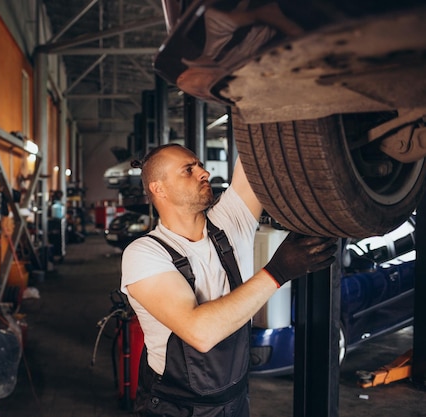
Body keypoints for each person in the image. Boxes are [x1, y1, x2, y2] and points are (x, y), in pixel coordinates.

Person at [120, 143, 337, 417]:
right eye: (189, 170)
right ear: (158, 188)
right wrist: (278, 271)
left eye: (199, 165)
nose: (204, 172)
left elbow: (257, 152)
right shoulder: (144, 253)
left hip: (235, 401)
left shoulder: (229, 221)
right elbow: (200, 332)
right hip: (176, 409)